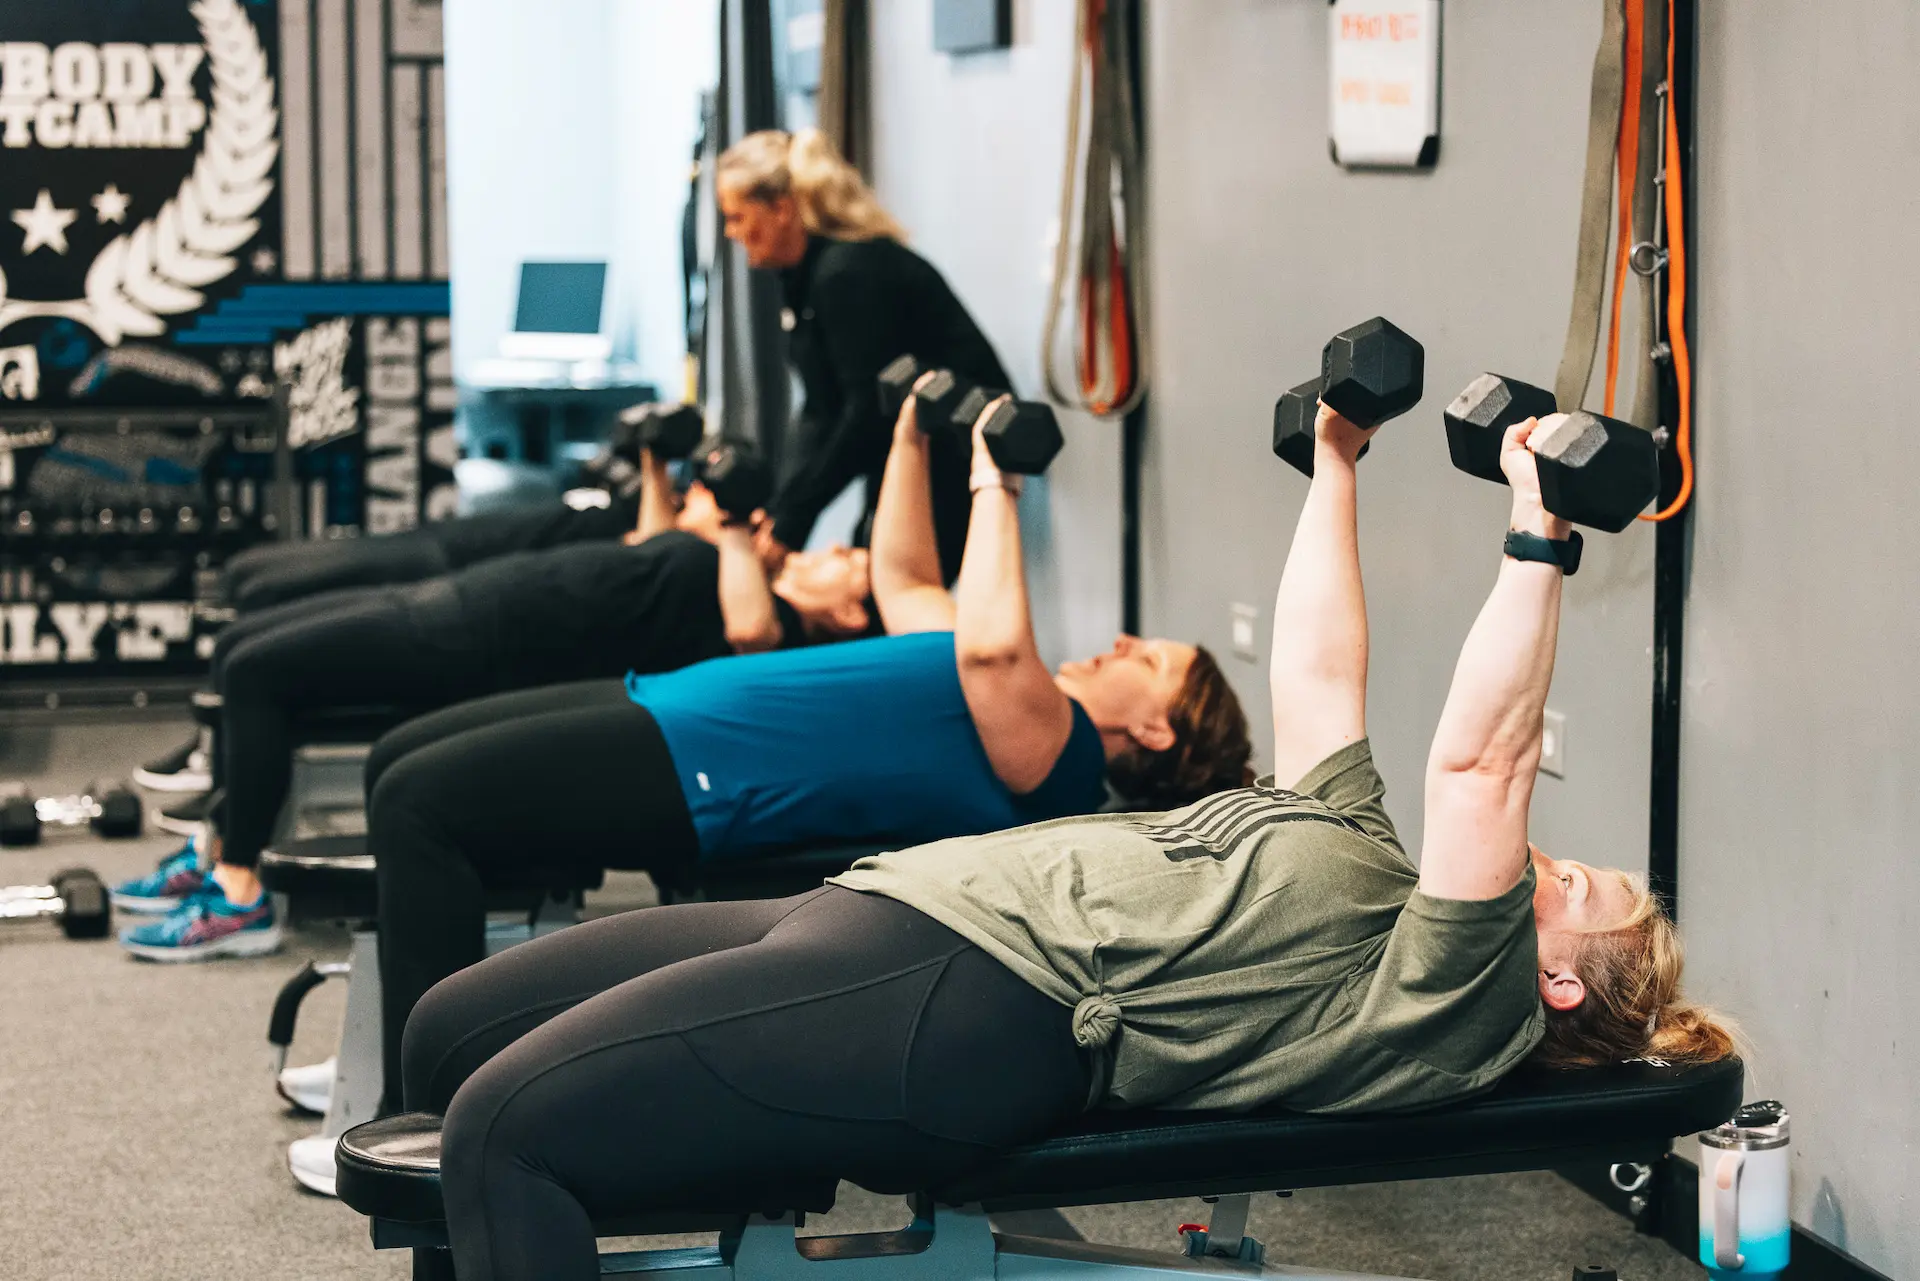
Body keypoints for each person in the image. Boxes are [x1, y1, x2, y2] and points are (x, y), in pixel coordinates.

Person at [395, 404, 1735, 1281]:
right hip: (890, 913)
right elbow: (1321, 677)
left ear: (1553, 976)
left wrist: (1538, 533)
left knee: (505, 1133)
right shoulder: (1362, 860)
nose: (1552, 861)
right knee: (449, 1032)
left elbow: (1480, 763)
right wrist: (1335, 456)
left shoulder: (1452, 994)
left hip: (975, 1003)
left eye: (1576, 889)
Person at [359, 391, 1253, 1124]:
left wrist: (996, 479)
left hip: (705, 773)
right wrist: (906, 431)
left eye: (1150, 660)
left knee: (422, 802)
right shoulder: (1014, 693)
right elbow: (903, 578)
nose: (1124, 640)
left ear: (1157, 731)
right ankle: (403, 1053)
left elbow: (987, 646)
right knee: (402, 758)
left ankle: (420, 1121)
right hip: (667, 704)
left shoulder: (1054, 756)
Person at [110, 444, 875, 960]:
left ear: (845, 617)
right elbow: (658, 528)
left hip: (467, 639)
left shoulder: (762, 619)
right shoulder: (732, 563)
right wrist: (659, 458)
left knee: (257, 672)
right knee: (245, 647)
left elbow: (749, 628)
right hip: (456, 598)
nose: (840, 550)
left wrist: (742, 526)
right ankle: (217, 848)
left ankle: (239, 892)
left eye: (852, 564)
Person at [718, 127, 1010, 583]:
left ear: (780, 210)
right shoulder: (803, 278)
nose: (731, 232)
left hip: (951, 456)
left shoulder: (848, 274)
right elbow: (820, 411)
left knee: (884, 596)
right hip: (903, 449)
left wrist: (794, 521)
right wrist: (781, 511)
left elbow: (866, 414)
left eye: (737, 217)